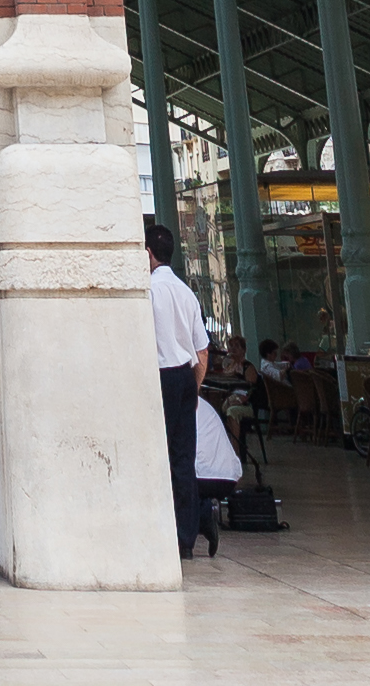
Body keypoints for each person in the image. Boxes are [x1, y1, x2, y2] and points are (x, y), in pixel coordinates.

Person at [144, 218, 211, 561]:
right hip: (186, 375)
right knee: (184, 458)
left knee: (156, 455)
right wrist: (194, 388)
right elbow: (203, 350)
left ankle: (160, 531)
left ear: (148, 254)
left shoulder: (149, 292)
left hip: (161, 376)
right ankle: (187, 536)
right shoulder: (186, 292)